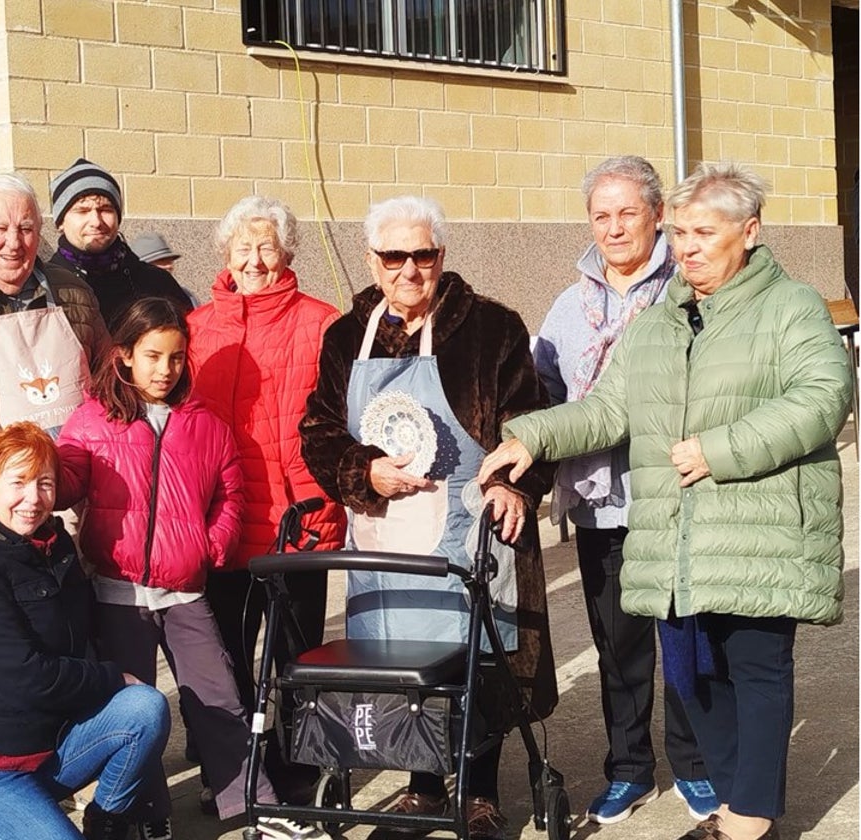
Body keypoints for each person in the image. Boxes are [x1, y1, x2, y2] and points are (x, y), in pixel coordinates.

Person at [480, 162, 852, 840]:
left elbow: (824, 397)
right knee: (693, 674)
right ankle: (740, 802)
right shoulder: (659, 323)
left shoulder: (791, 306)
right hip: (678, 535)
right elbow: (607, 409)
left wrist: (720, 449)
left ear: (750, 231)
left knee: (756, 669)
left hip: (758, 528)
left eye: (704, 231)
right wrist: (531, 437)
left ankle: (749, 818)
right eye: (680, 232)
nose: (687, 246)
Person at [299, 195, 558, 840]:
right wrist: (362, 470)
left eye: (423, 254)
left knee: (479, 654)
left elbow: (532, 421)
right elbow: (318, 430)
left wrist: (517, 490)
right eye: (394, 256)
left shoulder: (492, 328)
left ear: (442, 256)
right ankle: (421, 787)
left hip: (471, 528)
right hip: (386, 532)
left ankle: (480, 794)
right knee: (398, 656)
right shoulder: (343, 337)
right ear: (372, 259)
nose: (409, 269)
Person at [54, 297, 327, 840]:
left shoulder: (204, 422)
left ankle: (255, 807)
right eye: (153, 356)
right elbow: (67, 480)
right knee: (135, 710)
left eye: (177, 357)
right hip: (118, 595)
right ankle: (146, 813)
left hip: (185, 591)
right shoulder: (90, 421)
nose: (166, 369)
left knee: (219, 698)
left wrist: (214, 545)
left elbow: (230, 489)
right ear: (124, 356)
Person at [533, 155, 714, 825]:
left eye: (627, 212)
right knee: (619, 645)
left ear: (658, 214)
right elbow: (545, 392)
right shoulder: (568, 304)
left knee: (685, 640)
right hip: (601, 503)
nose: (613, 228)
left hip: (672, 496)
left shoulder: (689, 289)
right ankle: (630, 770)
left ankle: (694, 766)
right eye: (601, 215)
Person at [0, 422, 170, 840]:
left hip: (49, 752)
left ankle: (106, 823)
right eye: (17, 482)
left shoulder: (54, 545)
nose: (33, 499)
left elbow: (83, 640)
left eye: (45, 483)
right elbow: (23, 677)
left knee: (144, 708)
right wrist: (111, 677)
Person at [187, 195, 346, 805]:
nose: (254, 259)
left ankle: (302, 769)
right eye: (243, 248)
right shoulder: (199, 327)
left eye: (267, 247)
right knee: (225, 653)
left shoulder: (322, 320)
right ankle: (235, 770)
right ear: (226, 254)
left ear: (287, 253)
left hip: (295, 517)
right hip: (223, 518)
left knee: (299, 653)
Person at [0, 172, 110, 435]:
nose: (13, 243)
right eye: (0, 229)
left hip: (74, 464)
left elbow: (108, 378)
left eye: (25, 229)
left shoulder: (74, 292)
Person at [48, 158, 191, 328]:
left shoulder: (155, 282)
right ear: (60, 223)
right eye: (83, 211)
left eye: (105, 210)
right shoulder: (46, 285)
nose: (96, 221)